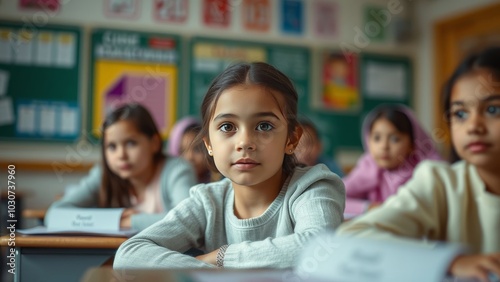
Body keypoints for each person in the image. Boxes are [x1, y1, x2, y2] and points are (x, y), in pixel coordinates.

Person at [113, 62, 345, 269]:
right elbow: (129, 255)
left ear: (292, 139)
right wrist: (206, 271)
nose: (244, 142)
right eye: (227, 127)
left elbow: (319, 246)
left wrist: (223, 257)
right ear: (209, 144)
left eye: (264, 126)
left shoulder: (312, 187)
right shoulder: (207, 202)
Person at [337, 47, 500, 281]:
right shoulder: (440, 182)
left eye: (493, 109)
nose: (473, 126)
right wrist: (450, 260)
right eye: (460, 114)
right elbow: (353, 234)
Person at [46, 104, 197, 231]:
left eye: (131, 143)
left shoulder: (177, 169)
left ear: (154, 143)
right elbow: (55, 214)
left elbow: (187, 219)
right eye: (112, 146)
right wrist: (116, 219)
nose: (121, 155)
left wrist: (129, 221)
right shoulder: (102, 174)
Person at [342, 104, 442, 216]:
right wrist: (368, 207)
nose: (384, 146)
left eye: (395, 139)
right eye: (377, 138)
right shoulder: (367, 168)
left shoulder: (425, 173)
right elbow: (333, 196)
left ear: (412, 145)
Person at [167, 116, 220, 183]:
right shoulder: (168, 187)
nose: (190, 157)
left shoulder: (219, 186)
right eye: (182, 151)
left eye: (197, 149)